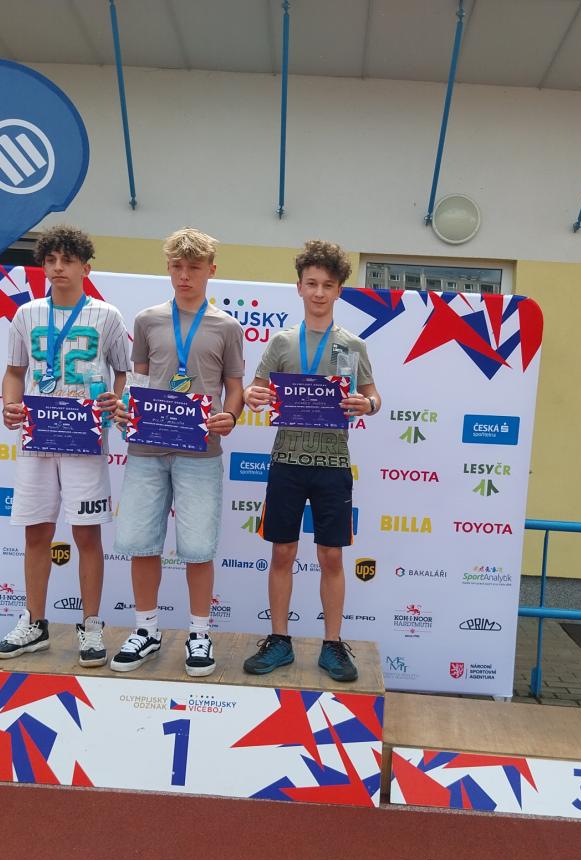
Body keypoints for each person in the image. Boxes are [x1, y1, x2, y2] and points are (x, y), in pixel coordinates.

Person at [241, 240, 381, 682]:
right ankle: (279, 640)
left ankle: (332, 644)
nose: (319, 292)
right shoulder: (282, 342)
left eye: (328, 285)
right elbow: (253, 389)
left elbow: (374, 396)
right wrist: (253, 395)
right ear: (299, 287)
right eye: (312, 284)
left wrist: (367, 404)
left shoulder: (353, 345)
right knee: (282, 551)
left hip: (333, 464)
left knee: (331, 556)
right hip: (286, 461)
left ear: (339, 290)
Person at [108, 228, 245, 677]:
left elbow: (235, 387)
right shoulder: (147, 320)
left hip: (201, 451)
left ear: (211, 271)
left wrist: (231, 415)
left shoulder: (227, 327)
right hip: (147, 448)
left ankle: (199, 634)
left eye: (194, 268)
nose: (184, 276)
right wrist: (126, 407)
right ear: (168, 268)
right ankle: (146, 630)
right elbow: (138, 379)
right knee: (140, 542)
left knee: (199, 548)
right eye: (177, 267)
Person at [0, 225, 130, 667]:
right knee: (37, 531)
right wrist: (10, 405)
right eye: (50, 260)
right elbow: (15, 371)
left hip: (84, 438)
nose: (57, 268)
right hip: (37, 438)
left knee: (87, 533)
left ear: (85, 268)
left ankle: (91, 624)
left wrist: (117, 400)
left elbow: (124, 371)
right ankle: (34, 622)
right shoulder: (27, 314)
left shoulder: (107, 315)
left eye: (67, 260)